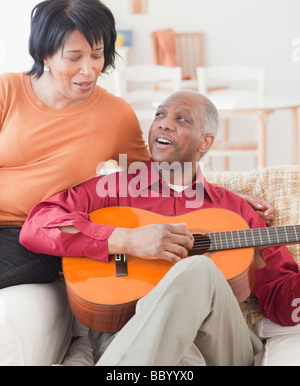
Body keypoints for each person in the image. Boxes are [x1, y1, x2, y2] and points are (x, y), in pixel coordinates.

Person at [20, 90, 299, 366]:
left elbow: (283, 306)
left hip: (218, 343)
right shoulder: (115, 187)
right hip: (128, 334)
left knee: (199, 269)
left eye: (181, 119)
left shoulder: (237, 210)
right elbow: (37, 225)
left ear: (205, 142)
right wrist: (124, 239)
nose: (164, 123)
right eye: (159, 115)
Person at [0, 0, 150, 289]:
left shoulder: (116, 114)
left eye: (97, 55)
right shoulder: (7, 91)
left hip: (35, 235)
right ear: (45, 55)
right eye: (74, 58)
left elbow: (151, 180)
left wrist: (219, 195)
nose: (89, 70)